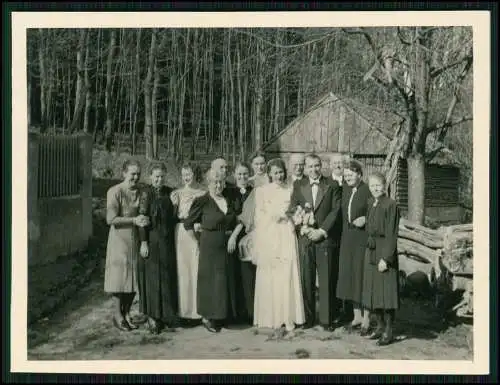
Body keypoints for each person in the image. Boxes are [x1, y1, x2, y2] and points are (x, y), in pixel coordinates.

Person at [242, 158, 304, 332]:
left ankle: (288, 316)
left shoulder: (291, 189)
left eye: (281, 172)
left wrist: (292, 218)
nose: (279, 175)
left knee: (286, 272)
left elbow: (296, 210)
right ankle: (272, 316)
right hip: (270, 235)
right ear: (269, 174)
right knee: (272, 274)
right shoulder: (262, 191)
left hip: (286, 233)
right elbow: (258, 217)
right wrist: (272, 217)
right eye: (275, 172)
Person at [289, 153, 342, 330]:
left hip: (325, 239)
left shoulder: (332, 185)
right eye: (310, 166)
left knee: (326, 280)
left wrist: (322, 231)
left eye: (317, 165)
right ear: (305, 168)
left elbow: (335, 211)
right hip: (306, 239)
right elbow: (292, 209)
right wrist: (302, 228)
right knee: (306, 279)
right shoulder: (299, 185)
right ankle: (309, 318)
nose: (314, 169)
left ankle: (327, 320)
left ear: (322, 166)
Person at [183, 168, 239, 333]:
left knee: (223, 282)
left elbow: (236, 219)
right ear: (208, 183)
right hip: (209, 246)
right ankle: (207, 317)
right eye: (215, 181)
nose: (218, 185)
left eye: (221, 181)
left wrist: (233, 237)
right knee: (209, 282)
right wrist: (198, 242)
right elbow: (188, 224)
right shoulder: (202, 200)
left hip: (226, 245)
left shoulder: (228, 199)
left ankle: (221, 315)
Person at [104, 159, 150, 331]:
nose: (136, 177)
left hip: (135, 239)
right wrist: (134, 220)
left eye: (138, 174)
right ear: (124, 173)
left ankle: (127, 313)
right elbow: (111, 219)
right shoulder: (114, 191)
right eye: (132, 174)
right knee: (119, 278)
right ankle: (117, 315)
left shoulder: (141, 191)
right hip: (119, 240)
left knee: (133, 278)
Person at [137, 162, 178, 334]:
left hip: (167, 241)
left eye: (162, 176)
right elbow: (142, 220)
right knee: (153, 278)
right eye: (156, 177)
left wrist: (175, 205)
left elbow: (175, 218)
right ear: (150, 177)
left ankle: (165, 315)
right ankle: (153, 316)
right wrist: (144, 242)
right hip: (152, 240)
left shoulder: (170, 192)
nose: (159, 180)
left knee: (166, 276)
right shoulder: (146, 194)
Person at [361, 172, 401, 346]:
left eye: (378, 185)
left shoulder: (391, 205)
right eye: (372, 186)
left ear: (384, 186)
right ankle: (379, 327)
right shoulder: (371, 202)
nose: (375, 188)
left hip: (384, 251)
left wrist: (386, 258)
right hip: (371, 251)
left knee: (386, 294)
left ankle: (388, 331)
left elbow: (392, 234)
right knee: (373, 292)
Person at [336, 160, 373, 334]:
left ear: (359, 174)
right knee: (350, 275)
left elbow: (376, 211)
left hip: (362, 238)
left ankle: (367, 318)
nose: (348, 178)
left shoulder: (368, 190)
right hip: (347, 238)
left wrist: (366, 219)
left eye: (351, 175)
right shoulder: (345, 190)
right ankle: (356, 315)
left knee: (362, 276)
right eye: (346, 175)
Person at [170, 162, 206, 325]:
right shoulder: (176, 193)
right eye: (184, 174)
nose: (186, 177)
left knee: (197, 268)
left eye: (189, 174)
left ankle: (198, 311)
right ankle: (184, 311)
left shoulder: (203, 192)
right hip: (182, 232)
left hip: (197, 231)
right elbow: (172, 216)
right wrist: (174, 204)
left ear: (195, 174)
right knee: (183, 270)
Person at [226, 162, 255, 325]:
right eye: (239, 174)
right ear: (234, 175)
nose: (242, 177)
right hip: (232, 236)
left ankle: (249, 312)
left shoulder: (254, 192)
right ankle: (234, 313)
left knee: (248, 274)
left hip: (249, 236)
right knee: (233, 273)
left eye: (245, 174)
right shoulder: (230, 192)